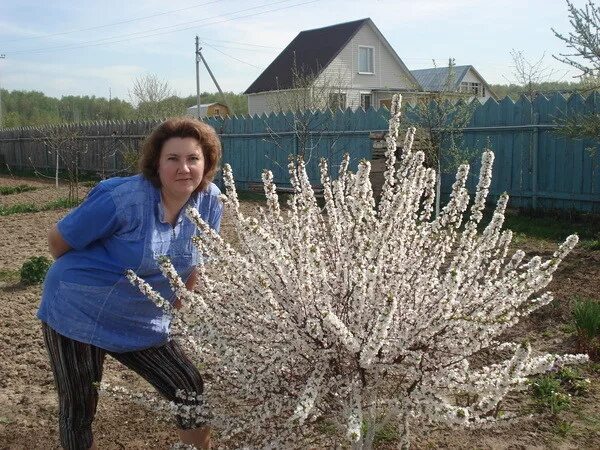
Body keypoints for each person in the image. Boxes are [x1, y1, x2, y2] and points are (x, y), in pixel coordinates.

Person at [37, 117, 223, 450]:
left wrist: (180, 302)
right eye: (173, 158)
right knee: (79, 407)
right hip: (77, 311)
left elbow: (199, 257)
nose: (184, 168)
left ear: (206, 162)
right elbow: (58, 242)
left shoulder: (209, 201)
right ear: (156, 163)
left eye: (193, 158)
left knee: (187, 386)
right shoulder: (121, 198)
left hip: (141, 319)